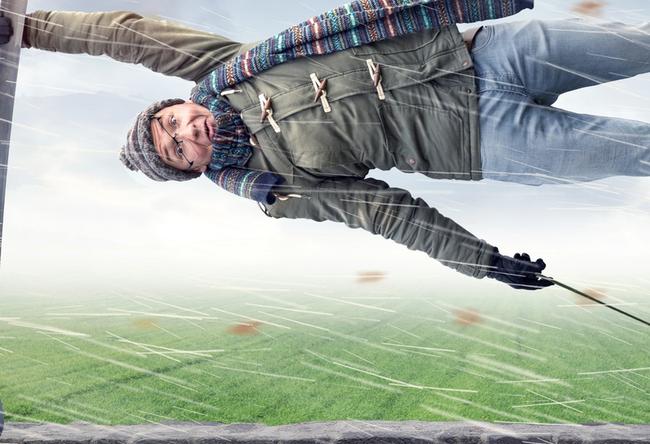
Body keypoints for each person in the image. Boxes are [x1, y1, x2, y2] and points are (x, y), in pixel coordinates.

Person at [2, 2, 648, 290]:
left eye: (172, 121)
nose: (185, 132)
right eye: (175, 150)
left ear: (180, 102)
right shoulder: (274, 188)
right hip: (491, 144)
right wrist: (481, 262)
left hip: (482, 53)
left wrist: (29, 29)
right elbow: (386, 212)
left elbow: (130, 35)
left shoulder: (233, 68)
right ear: (191, 169)